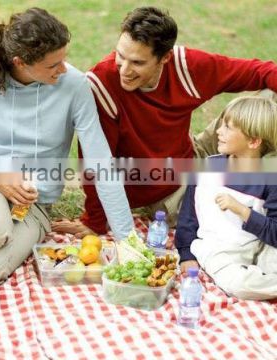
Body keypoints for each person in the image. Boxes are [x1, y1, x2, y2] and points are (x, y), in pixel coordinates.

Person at [0, 7, 134, 286]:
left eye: (64, 59)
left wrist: (127, 240)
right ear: (20, 62)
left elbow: (101, 164)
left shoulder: (75, 86)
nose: (63, 69)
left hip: (34, 204)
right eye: (53, 65)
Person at [53, 6, 277, 237]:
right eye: (120, 55)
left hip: (191, 153)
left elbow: (261, 71)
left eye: (138, 63)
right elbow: (96, 161)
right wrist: (96, 221)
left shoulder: (187, 67)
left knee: (270, 97)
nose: (125, 70)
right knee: (225, 220)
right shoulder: (102, 85)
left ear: (165, 58)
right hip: (165, 191)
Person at [175, 95, 277, 300]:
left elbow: (274, 233)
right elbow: (188, 218)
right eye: (222, 125)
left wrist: (243, 211)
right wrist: (186, 254)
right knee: (238, 284)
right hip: (218, 250)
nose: (219, 132)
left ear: (254, 141)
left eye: (228, 128)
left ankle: (263, 279)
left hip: (259, 245)